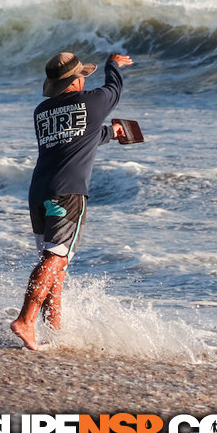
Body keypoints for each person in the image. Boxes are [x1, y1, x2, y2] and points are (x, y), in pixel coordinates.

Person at [11, 51, 134, 350]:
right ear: (77, 79)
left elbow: (72, 138)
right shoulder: (90, 102)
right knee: (57, 257)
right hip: (68, 194)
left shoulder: (41, 111)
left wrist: (109, 133)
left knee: (55, 263)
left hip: (39, 194)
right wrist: (112, 64)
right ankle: (25, 320)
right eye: (83, 76)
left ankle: (54, 331)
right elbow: (114, 90)